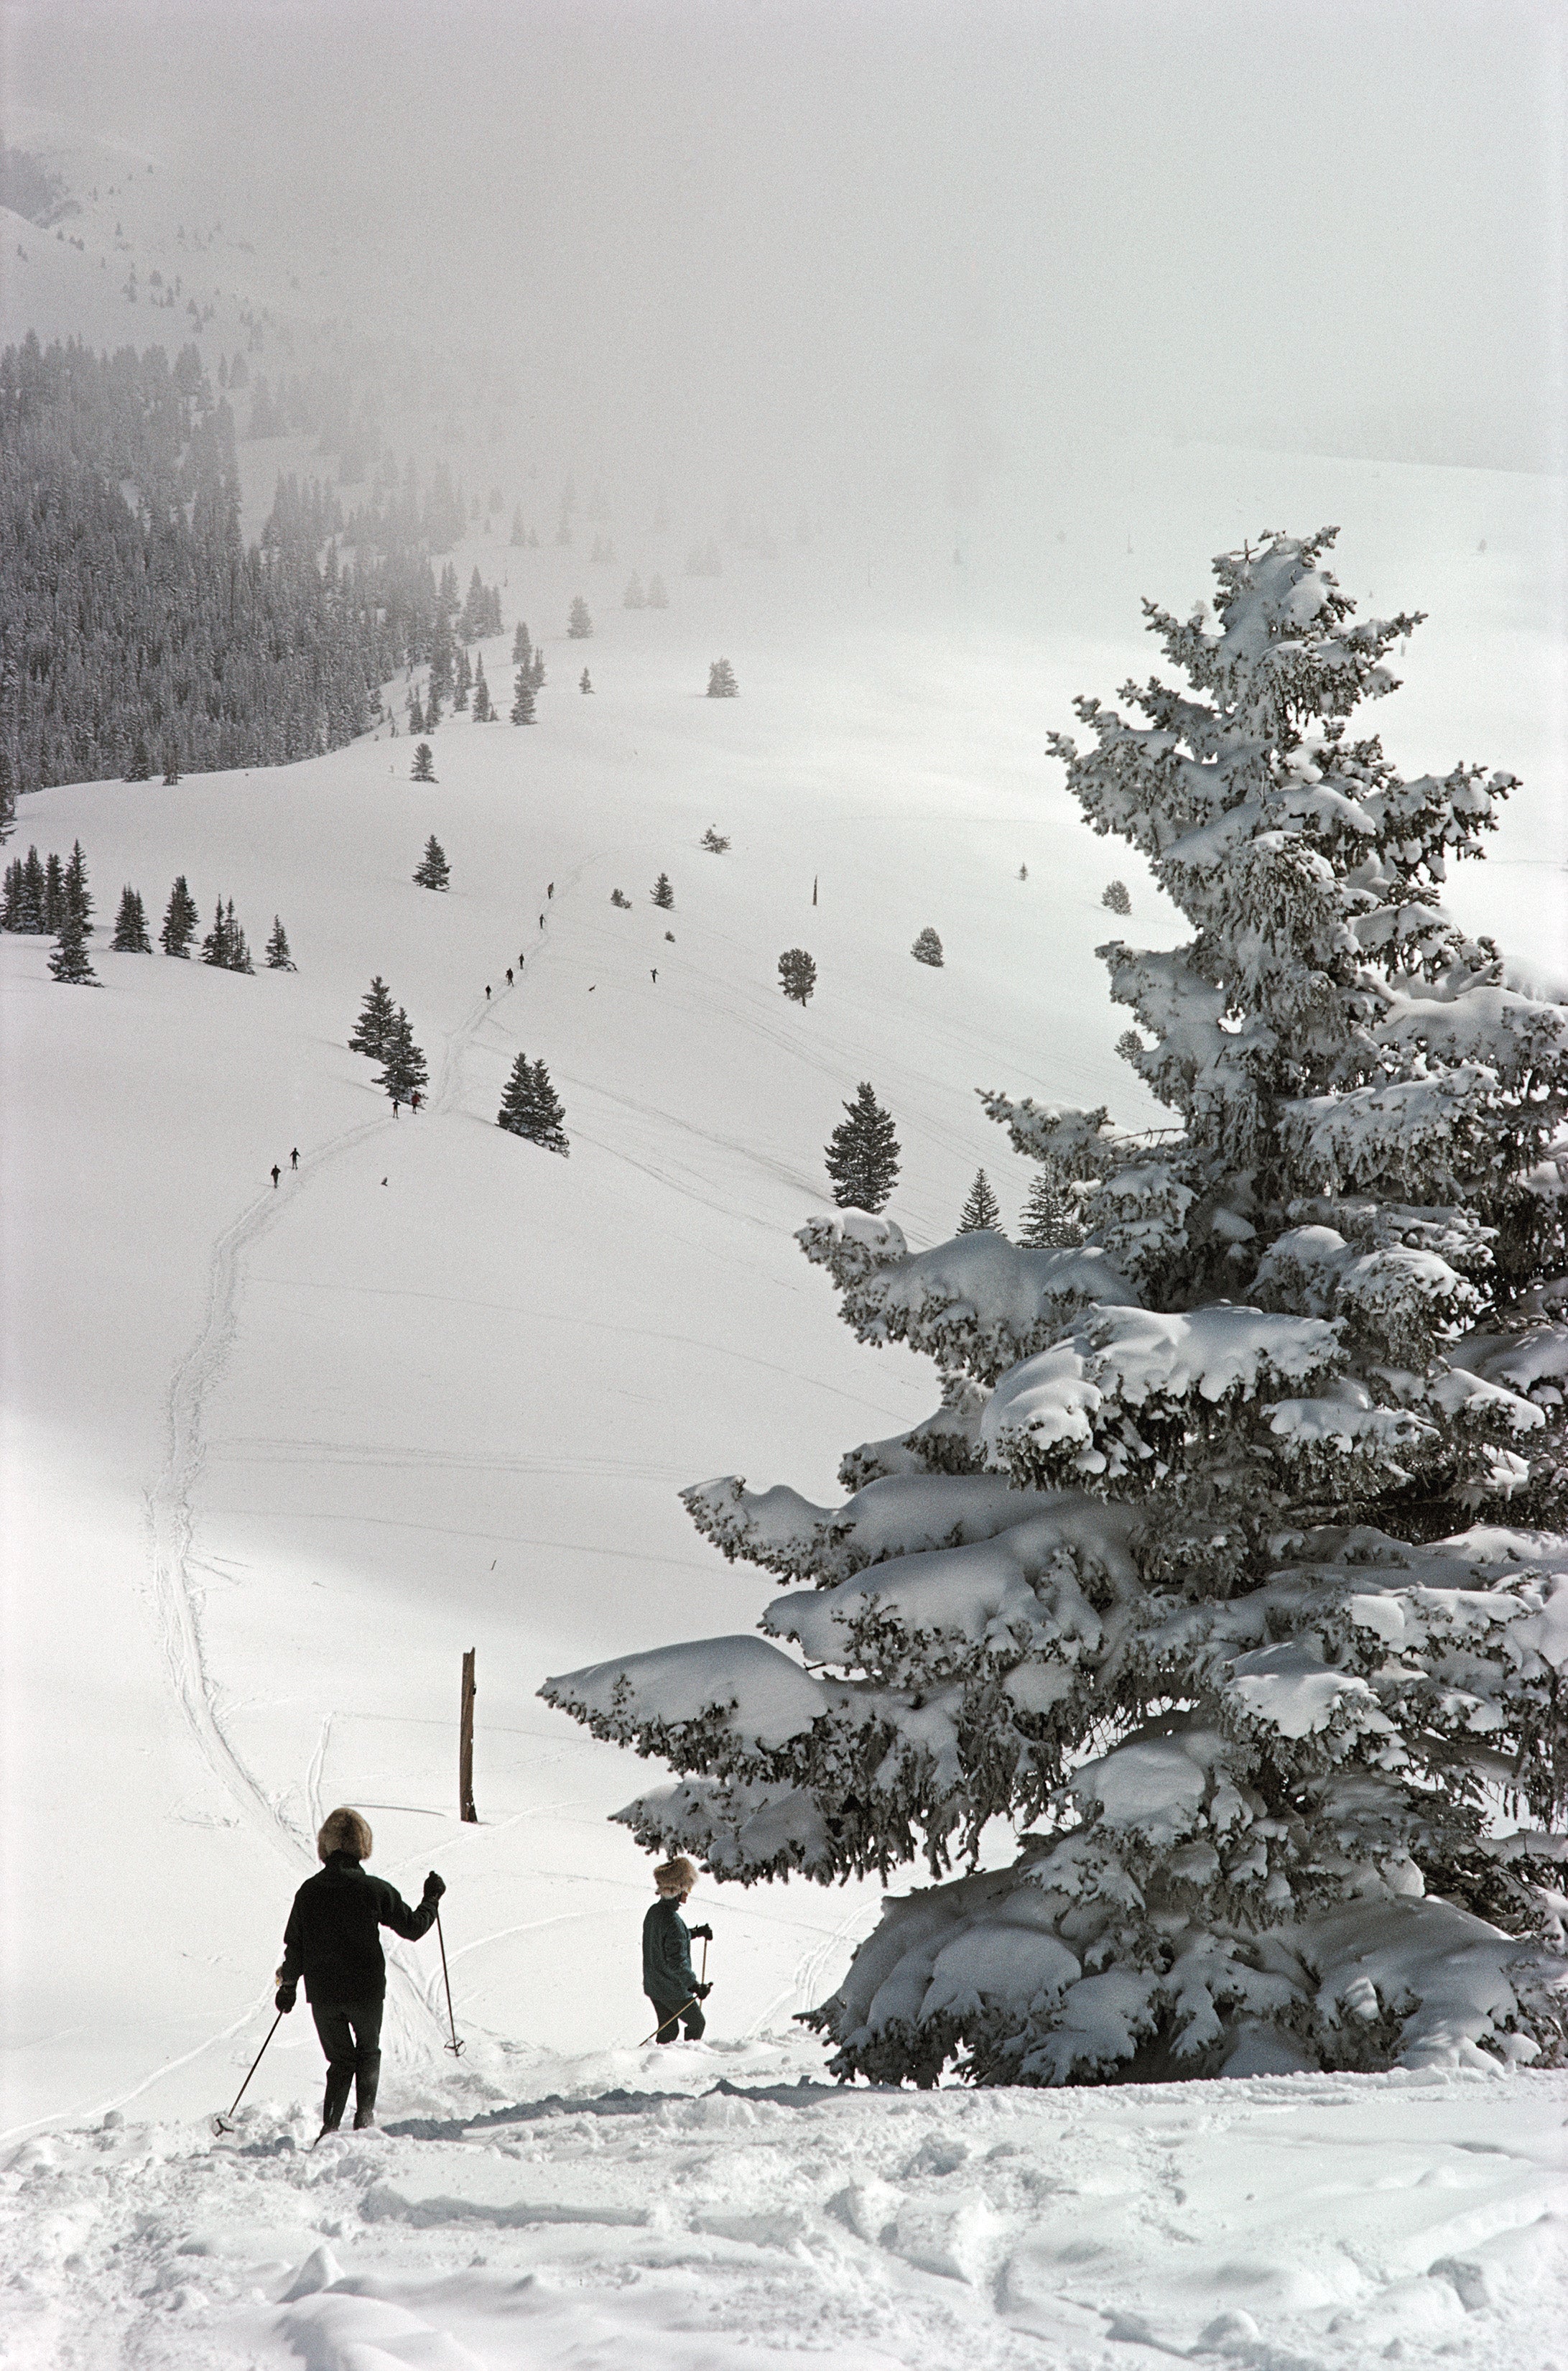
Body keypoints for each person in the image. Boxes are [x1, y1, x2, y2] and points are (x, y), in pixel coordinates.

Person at [274, 1807, 445, 2136]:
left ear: (325, 1845)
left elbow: (296, 1946)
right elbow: (412, 1928)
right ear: (361, 1846)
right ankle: (363, 2122)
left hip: (324, 1995)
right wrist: (432, 1899)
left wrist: (289, 1985)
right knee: (368, 2052)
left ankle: (330, 2129)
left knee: (340, 2062)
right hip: (365, 1991)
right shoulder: (374, 1890)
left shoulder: (308, 1892)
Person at [641, 1857, 712, 2043]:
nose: (688, 1893)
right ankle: (688, 2061)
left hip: (654, 1986)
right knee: (697, 2023)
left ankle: (658, 2066)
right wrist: (694, 1985)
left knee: (669, 2031)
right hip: (671, 1989)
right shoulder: (672, 1920)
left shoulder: (654, 1912)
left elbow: (666, 1940)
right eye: (687, 1889)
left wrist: (695, 1933)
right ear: (676, 1890)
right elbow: (676, 1961)